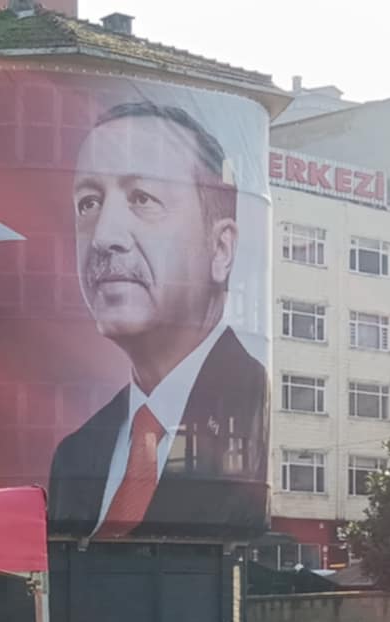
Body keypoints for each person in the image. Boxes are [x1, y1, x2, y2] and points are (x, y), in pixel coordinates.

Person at [48, 103, 267, 539]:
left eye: (143, 199)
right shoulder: (76, 454)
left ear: (220, 249)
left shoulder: (255, 410)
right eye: (88, 203)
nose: (104, 237)